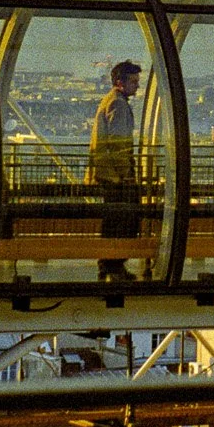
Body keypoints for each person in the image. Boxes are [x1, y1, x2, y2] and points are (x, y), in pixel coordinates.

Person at [90, 60, 143, 279]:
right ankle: (114, 262)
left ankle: (109, 263)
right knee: (126, 219)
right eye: (133, 81)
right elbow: (119, 144)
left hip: (107, 173)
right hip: (115, 177)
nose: (137, 86)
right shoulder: (118, 104)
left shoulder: (109, 101)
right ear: (120, 82)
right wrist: (126, 175)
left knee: (112, 220)